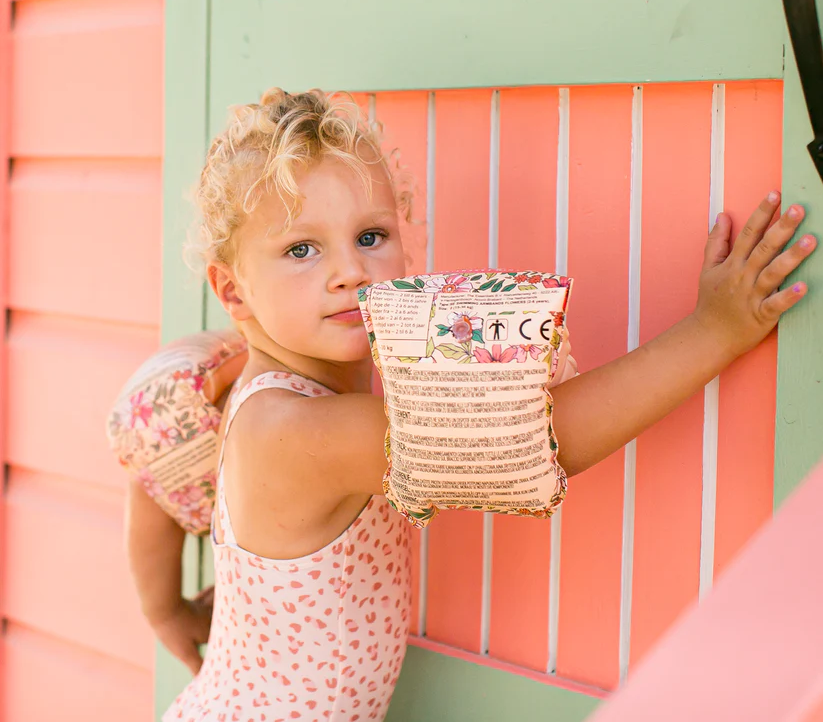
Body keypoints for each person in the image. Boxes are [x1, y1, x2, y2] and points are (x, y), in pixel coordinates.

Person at [164, 88, 814, 721]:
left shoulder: (236, 373)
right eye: (300, 249)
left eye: (369, 236)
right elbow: (535, 437)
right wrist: (714, 331)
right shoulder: (294, 429)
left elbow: (148, 441)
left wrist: (163, 604)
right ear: (235, 293)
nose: (350, 272)